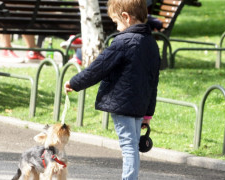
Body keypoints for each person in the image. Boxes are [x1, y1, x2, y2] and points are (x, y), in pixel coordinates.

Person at [64, 0, 160, 179]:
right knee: (131, 145)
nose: (116, 27)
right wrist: (148, 115)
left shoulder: (122, 42)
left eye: (116, 22)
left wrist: (74, 83)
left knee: (128, 146)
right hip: (140, 106)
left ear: (126, 17)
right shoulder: (152, 44)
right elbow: (153, 82)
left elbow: (97, 69)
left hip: (122, 105)